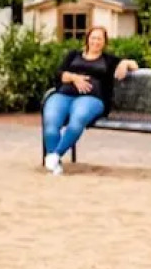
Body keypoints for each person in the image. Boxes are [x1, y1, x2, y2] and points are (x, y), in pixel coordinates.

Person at [41, 26, 139, 175]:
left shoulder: (108, 60)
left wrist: (125, 63)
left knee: (77, 119)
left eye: (100, 39)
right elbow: (59, 74)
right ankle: (55, 164)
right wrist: (74, 78)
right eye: (93, 38)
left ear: (104, 42)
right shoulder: (73, 55)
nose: (96, 42)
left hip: (91, 98)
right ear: (87, 39)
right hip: (64, 94)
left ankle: (55, 155)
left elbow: (134, 65)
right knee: (51, 122)